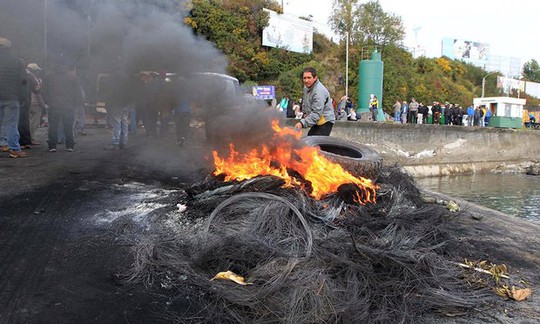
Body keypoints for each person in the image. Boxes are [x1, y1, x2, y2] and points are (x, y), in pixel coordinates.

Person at [42, 55, 83, 152]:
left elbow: (44, 90)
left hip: (54, 106)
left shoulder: (49, 76)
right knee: (68, 126)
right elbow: (77, 92)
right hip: (68, 106)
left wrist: (48, 101)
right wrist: (75, 103)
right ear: (66, 64)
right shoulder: (72, 76)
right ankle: (70, 146)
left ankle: (52, 146)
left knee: (53, 126)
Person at [0, 37, 28, 158]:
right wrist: (22, 97)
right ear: (9, 48)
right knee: (11, 124)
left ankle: (3, 143)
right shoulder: (16, 62)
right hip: (12, 98)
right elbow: (23, 82)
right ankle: (14, 149)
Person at [294, 67, 335, 136]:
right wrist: (304, 113)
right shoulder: (306, 87)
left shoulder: (319, 92)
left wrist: (302, 123)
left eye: (309, 78)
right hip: (317, 121)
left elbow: (317, 113)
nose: (306, 80)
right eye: (304, 78)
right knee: (309, 139)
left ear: (315, 78)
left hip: (325, 121)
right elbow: (305, 101)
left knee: (315, 144)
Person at [26, 63, 46, 145]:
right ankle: (32, 138)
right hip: (35, 103)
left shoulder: (24, 78)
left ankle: (28, 138)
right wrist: (42, 104)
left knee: (28, 121)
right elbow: (38, 93)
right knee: (35, 122)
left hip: (27, 102)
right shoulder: (35, 79)